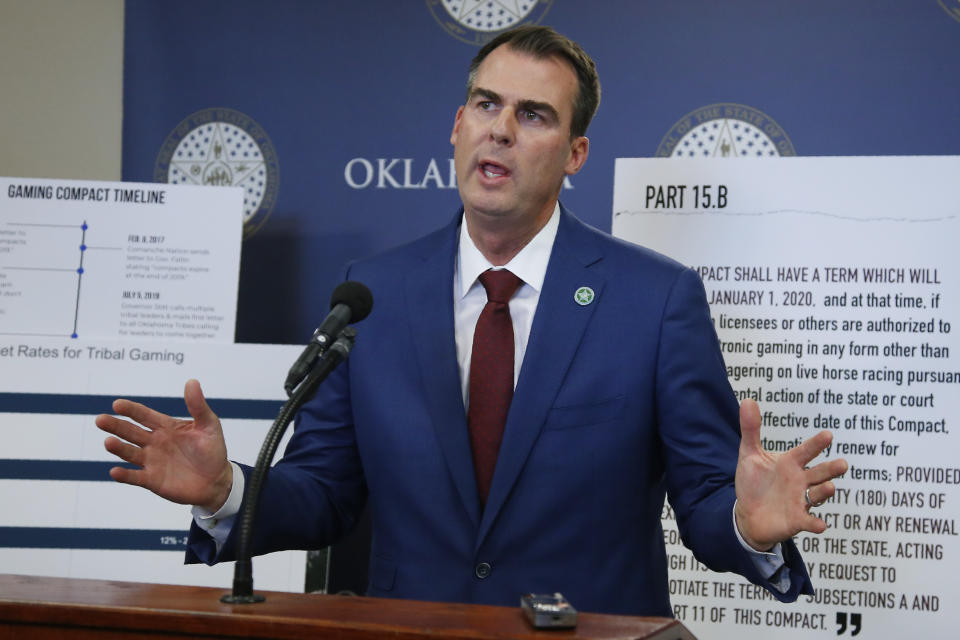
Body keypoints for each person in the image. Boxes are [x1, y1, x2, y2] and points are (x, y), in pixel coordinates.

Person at [97, 25, 847, 616]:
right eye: (487, 105)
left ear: (575, 152)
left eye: (533, 115)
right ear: (457, 125)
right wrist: (226, 488)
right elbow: (324, 492)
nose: (501, 130)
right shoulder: (372, 295)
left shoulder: (655, 301)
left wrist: (748, 524)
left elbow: (708, 506)